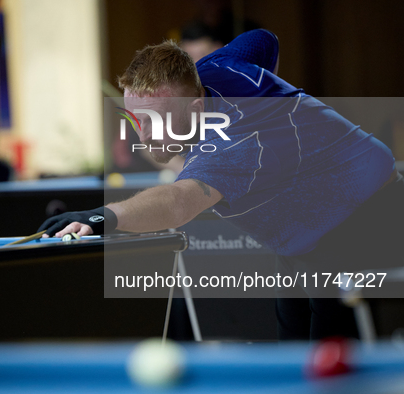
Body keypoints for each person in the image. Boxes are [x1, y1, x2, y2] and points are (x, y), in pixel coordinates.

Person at [38, 29, 403, 340]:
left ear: (196, 110)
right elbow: (262, 40)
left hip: (368, 217)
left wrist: (103, 216)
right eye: (136, 118)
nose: (143, 135)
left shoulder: (236, 146)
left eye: (154, 121)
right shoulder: (214, 69)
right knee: (293, 351)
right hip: (310, 229)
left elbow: (178, 204)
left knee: (333, 367)